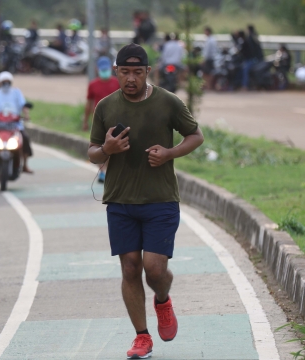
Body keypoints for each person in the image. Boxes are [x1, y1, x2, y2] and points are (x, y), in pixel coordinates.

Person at [87, 43, 204, 359]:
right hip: (120, 200)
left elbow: (195, 136)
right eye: (124, 72)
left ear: (147, 72)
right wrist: (106, 151)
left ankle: (163, 299)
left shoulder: (168, 102)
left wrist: (169, 153)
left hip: (160, 199)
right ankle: (142, 336)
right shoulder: (105, 107)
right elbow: (93, 150)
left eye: (137, 72)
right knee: (130, 268)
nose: (130, 79)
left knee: (154, 270)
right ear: (116, 72)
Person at [0, 71, 33, 173]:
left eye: (8, 82)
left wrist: (26, 115)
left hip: (15, 126)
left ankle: (25, 165)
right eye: (4, 82)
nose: (6, 84)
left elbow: (23, 105)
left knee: (25, 139)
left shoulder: (16, 93)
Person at [83, 56, 120, 184]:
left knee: (111, 146)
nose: (104, 71)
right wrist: (85, 120)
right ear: (97, 69)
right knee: (99, 146)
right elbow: (89, 103)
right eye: (102, 69)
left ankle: (109, 170)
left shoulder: (117, 83)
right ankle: (102, 171)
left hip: (115, 119)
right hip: (98, 121)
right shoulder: (93, 85)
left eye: (106, 69)